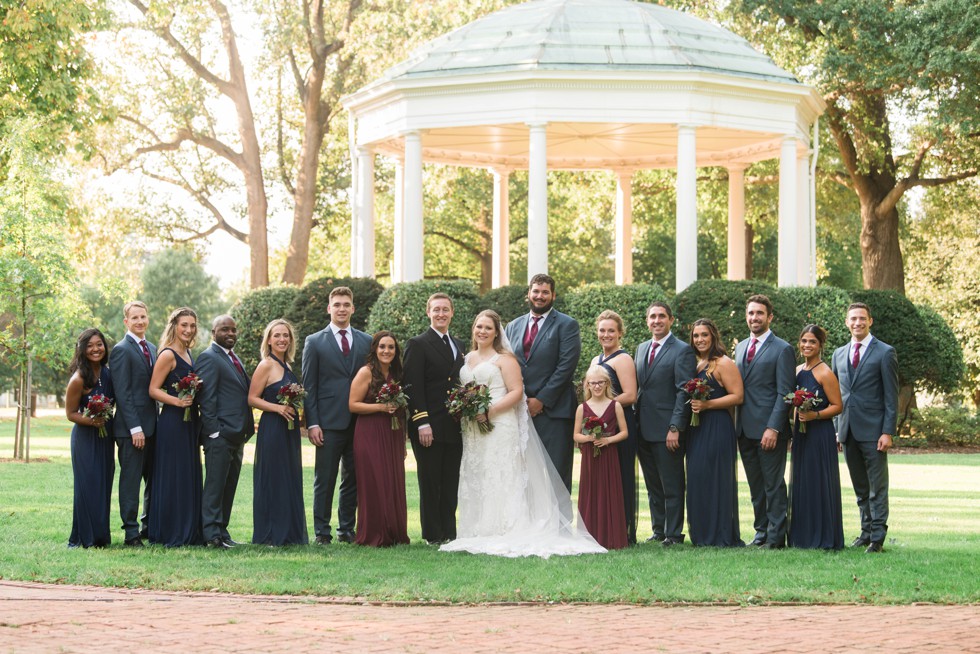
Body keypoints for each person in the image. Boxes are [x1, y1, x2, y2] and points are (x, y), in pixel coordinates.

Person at [441, 310, 606, 558]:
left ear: (497, 332)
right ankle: (479, 528)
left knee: (501, 473)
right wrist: (466, 408)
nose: (482, 331)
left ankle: (507, 527)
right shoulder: (468, 358)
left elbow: (516, 392)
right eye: (479, 327)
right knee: (479, 473)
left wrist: (490, 411)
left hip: (500, 423)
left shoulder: (505, 358)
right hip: (473, 427)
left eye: (488, 328)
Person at [302, 286, 371, 545]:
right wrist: (313, 423)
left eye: (346, 304)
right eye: (337, 305)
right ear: (329, 308)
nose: (342, 309)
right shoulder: (314, 341)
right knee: (325, 478)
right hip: (328, 423)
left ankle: (346, 528)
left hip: (359, 421)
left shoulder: (366, 341)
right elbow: (309, 386)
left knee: (353, 477)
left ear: (353, 308)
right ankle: (322, 531)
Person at [504, 273, 581, 491]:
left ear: (553, 295)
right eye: (535, 291)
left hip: (555, 412)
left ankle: (560, 526)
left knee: (557, 476)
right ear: (528, 294)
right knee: (525, 477)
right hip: (520, 410)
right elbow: (509, 365)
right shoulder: (513, 326)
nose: (539, 296)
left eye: (545, 292)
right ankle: (531, 525)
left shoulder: (567, 325)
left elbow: (565, 367)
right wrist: (519, 399)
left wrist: (541, 400)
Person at [832, 303, 899, 554]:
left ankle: (878, 537)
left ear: (870, 321)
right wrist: (838, 428)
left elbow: (891, 397)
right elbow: (837, 395)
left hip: (874, 431)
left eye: (862, 318)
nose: (857, 323)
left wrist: (887, 431)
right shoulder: (838, 354)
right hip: (848, 430)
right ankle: (865, 531)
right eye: (853, 319)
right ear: (847, 322)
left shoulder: (885, 352)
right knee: (860, 487)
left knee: (877, 487)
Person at [404, 293, 465, 545]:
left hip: (455, 424)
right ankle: (432, 534)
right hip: (429, 424)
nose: (441, 314)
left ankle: (449, 532)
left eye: (445, 310)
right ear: (428, 313)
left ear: (452, 313)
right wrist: (422, 422)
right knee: (430, 481)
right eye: (436, 309)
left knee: (450, 481)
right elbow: (411, 386)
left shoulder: (459, 344)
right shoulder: (417, 343)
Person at [734, 294, 795, 549]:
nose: (754, 318)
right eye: (750, 313)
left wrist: (773, 427)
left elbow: (785, 393)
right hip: (744, 429)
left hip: (769, 429)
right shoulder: (739, 348)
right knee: (756, 486)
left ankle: (775, 537)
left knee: (773, 484)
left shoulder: (782, 349)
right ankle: (760, 532)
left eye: (759, 313)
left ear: (770, 317)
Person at [634, 301, 696, 547]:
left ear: (671, 320)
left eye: (661, 316)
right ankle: (658, 529)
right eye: (652, 317)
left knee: (671, 483)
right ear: (647, 321)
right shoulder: (640, 349)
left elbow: (683, 392)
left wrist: (675, 428)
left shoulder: (682, 350)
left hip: (666, 428)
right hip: (643, 427)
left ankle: (674, 533)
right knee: (652, 483)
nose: (656, 321)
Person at [196, 315, 255, 549]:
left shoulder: (233, 357)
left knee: (228, 487)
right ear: (213, 332)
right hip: (220, 436)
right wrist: (214, 432)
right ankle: (211, 536)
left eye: (233, 330)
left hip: (237, 435)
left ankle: (222, 531)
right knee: (215, 487)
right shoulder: (209, 358)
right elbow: (206, 399)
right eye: (224, 330)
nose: (230, 334)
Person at [147, 307, 204, 547]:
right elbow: (153, 389)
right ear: (174, 326)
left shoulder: (189, 353)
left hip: (189, 423)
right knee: (173, 474)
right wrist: (177, 401)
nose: (189, 330)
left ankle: (189, 528)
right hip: (172, 421)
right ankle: (170, 530)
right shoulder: (168, 355)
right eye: (184, 325)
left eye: (192, 325)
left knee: (187, 473)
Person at [248, 319, 308, 546]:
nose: (282, 339)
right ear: (269, 340)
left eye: (286, 335)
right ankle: (271, 534)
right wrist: (278, 408)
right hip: (272, 428)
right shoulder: (266, 365)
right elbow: (252, 398)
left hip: (289, 430)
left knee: (288, 478)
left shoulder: (288, 367)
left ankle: (289, 532)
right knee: (273, 478)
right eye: (277, 335)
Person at [348, 331, 410, 547]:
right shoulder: (366, 372)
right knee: (374, 481)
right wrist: (381, 407)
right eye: (382, 346)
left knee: (392, 481)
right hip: (369, 432)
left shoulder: (397, 373)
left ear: (396, 351)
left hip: (392, 432)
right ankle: (373, 534)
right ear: (375, 349)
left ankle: (394, 532)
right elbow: (353, 404)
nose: (386, 351)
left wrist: (402, 442)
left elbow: (401, 410)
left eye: (391, 347)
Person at [687, 318, 744, 548]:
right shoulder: (695, 364)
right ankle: (701, 534)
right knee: (698, 479)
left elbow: (738, 396)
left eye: (704, 335)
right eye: (696, 335)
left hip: (718, 426)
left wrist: (707, 405)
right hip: (697, 428)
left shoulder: (723, 363)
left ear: (713, 337)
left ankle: (720, 534)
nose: (700, 339)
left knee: (717, 479)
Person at [789, 324, 844, 550]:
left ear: (820, 344)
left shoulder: (825, 372)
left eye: (812, 341)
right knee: (803, 483)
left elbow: (838, 406)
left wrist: (816, 415)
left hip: (820, 434)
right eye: (804, 341)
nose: (807, 345)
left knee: (818, 483)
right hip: (801, 435)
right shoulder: (797, 369)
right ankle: (802, 537)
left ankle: (822, 536)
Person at [108, 301, 156, 547]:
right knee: (130, 481)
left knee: (153, 481)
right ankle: (130, 533)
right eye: (134, 317)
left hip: (153, 428)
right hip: (131, 431)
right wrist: (135, 428)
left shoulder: (153, 348)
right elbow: (123, 393)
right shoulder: (121, 350)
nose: (140, 321)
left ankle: (149, 526)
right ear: (126, 321)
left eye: (143, 317)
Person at [591, 310, 639, 544]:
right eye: (602, 330)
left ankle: (622, 529)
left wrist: (603, 407)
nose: (606, 334)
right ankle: (602, 527)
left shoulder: (624, 359)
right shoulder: (595, 361)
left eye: (611, 330)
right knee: (602, 477)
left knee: (620, 476)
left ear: (620, 333)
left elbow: (630, 395)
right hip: (600, 427)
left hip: (619, 424)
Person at [65, 328, 115, 549]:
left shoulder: (107, 372)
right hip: (85, 439)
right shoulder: (79, 379)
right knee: (88, 486)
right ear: (82, 350)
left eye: (99, 344)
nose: (96, 349)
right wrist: (92, 421)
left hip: (105, 439)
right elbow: (70, 414)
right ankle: (85, 537)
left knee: (103, 484)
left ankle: (101, 537)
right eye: (90, 346)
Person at [573, 365, 628, 550]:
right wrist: (589, 438)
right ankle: (590, 536)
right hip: (590, 457)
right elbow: (576, 436)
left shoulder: (616, 405)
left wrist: (608, 440)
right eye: (592, 383)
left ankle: (612, 537)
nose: (596, 386)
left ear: (607, 384)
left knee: (609, 491)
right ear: (587, 385)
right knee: (591, 493)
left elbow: (625, 432)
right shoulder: (582, 408)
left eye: (600, 382)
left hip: (609, 455)